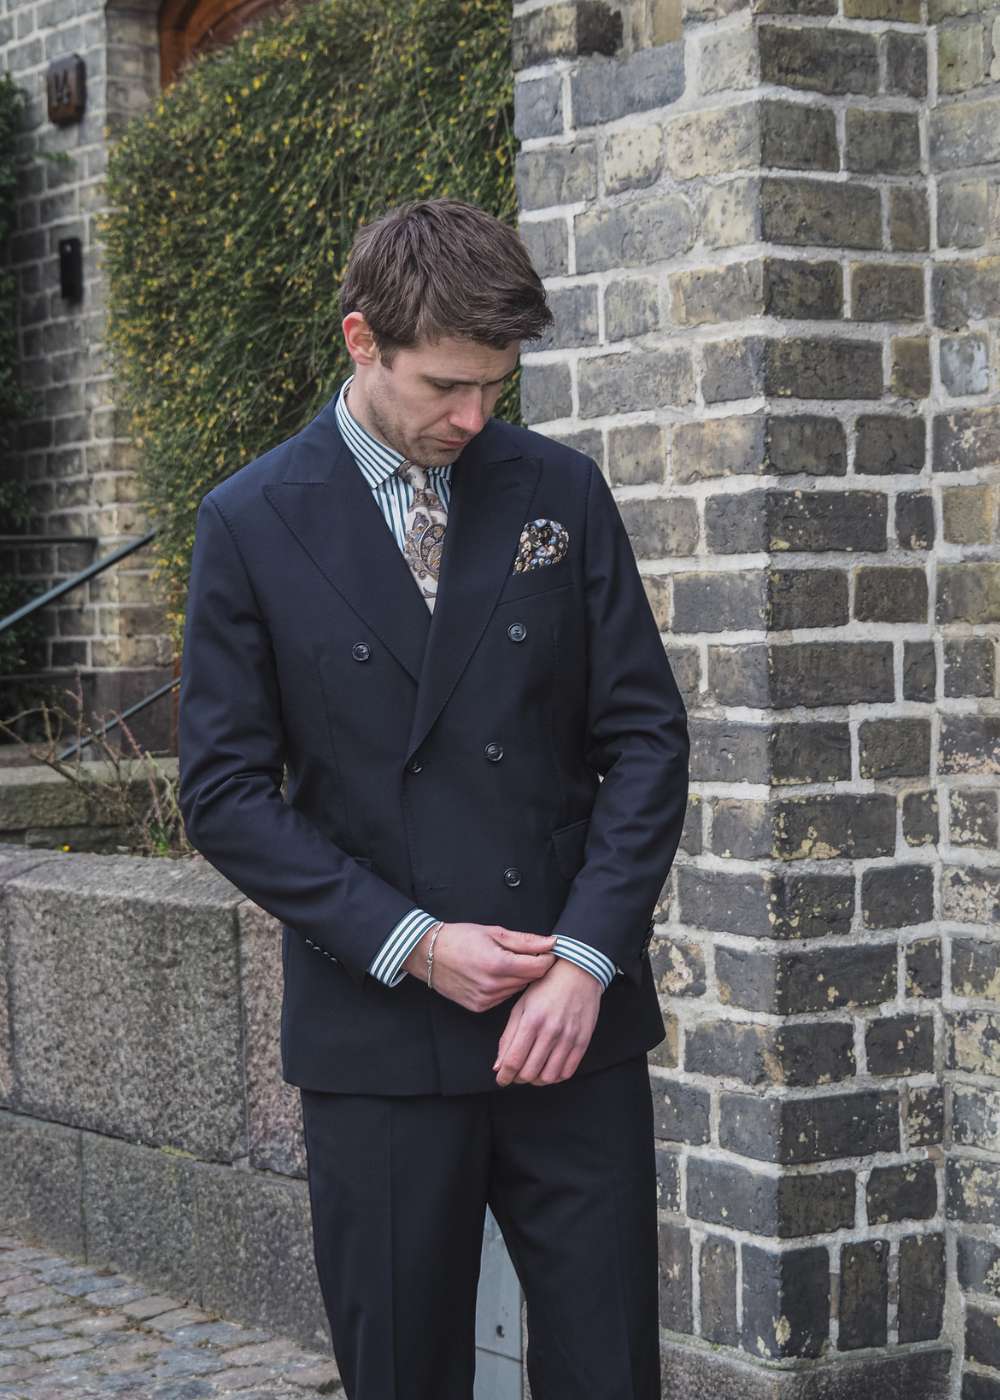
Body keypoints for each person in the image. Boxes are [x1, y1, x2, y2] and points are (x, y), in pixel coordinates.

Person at [177, 197, 689, 1400]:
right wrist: (413, 942)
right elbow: (226, 792)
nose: (472, 416)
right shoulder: (250, 520)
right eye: (446, 385)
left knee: (610, 1370)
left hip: (569, 1021)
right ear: (361, 340)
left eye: (494, 386)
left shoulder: (558, 489)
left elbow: (645, 738)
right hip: (379, 1039)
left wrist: (586, 959)